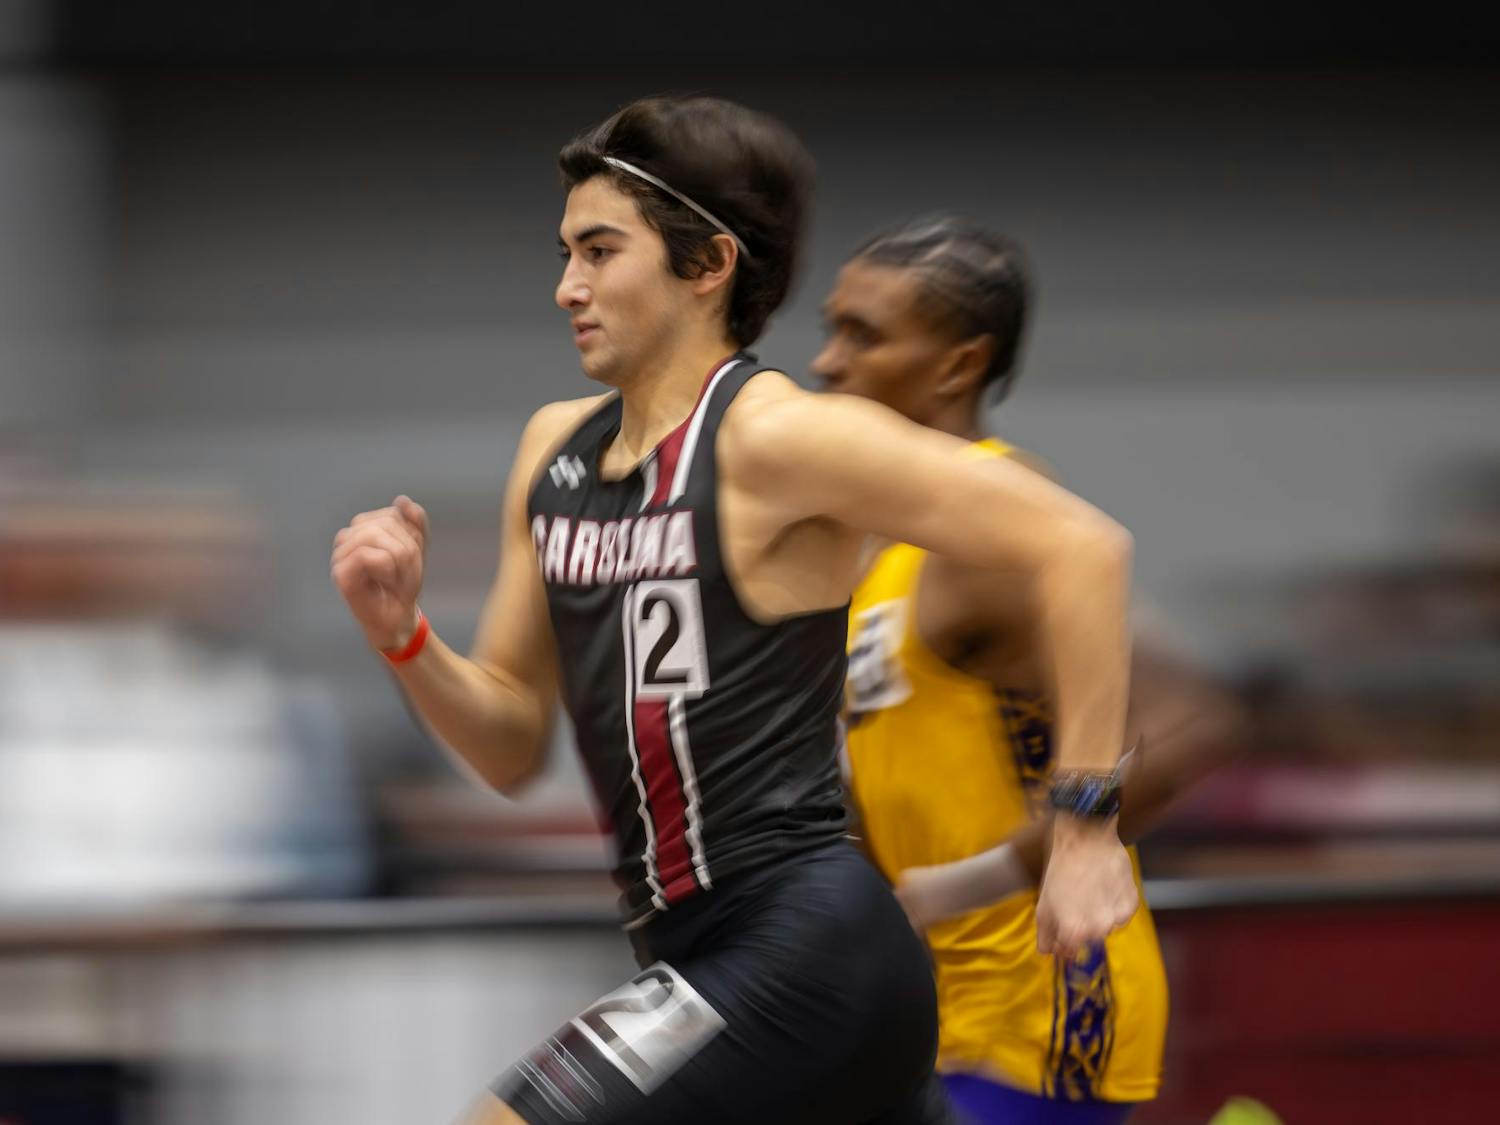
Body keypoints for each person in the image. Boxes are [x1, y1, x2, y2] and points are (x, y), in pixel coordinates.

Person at [331, 100, 1138, 1125]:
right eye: (565, 251)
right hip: (702, 954)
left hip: (804, 943)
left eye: (599, 251)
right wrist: (401, 635)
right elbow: (505, 742)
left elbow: (1081, 548)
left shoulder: (781, 440)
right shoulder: (554, 452)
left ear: (707, 264)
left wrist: (1084, 830)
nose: (565, 286)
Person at [815, 215, 1245, 1124]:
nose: (826, 362)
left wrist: (992, 872)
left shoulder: (1000, 529)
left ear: (957, 366)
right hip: (939, 1008)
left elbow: (1192, 717)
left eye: (863, 334)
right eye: (831, 328)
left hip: (1047, 1006)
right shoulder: (883, 543)